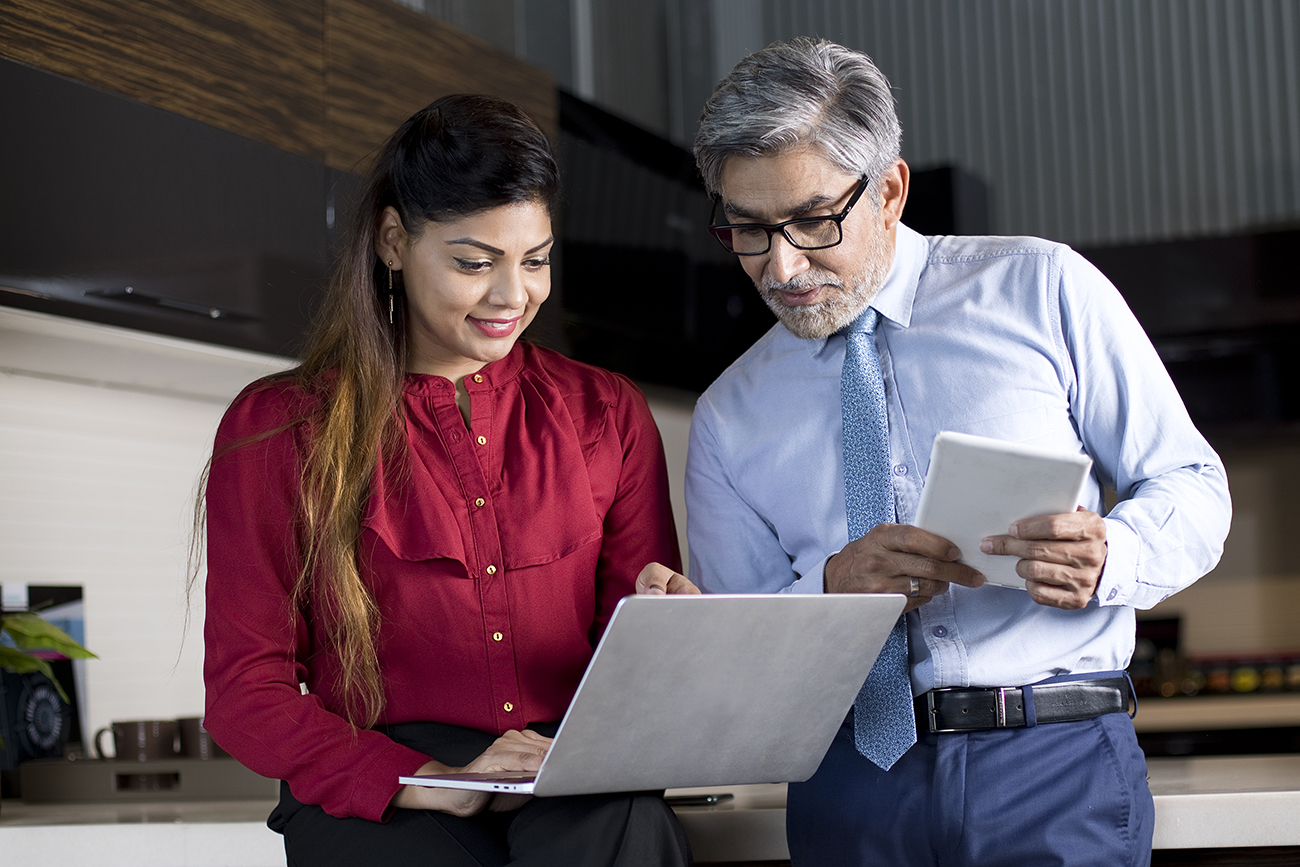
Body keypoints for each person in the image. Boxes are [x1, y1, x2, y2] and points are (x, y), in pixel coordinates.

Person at [640, 38, 1231, 866]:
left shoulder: (1043, 289)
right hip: (849, 784)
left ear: (888, 190)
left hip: (1053, 759)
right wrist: (832, 591)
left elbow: (1193, 483)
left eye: (813, 220)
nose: (782, 265)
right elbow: (745, 664)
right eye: (746, 229)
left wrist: (1116, 554)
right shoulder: (729, 414)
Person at [201, 94, 692, 867]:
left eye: (535, 260)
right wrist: (420, 776)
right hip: (384, 782)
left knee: (626, 827)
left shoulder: (608, 414)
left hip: (566, 768)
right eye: (474, 262)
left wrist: (673, 632)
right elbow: (245, 692)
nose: (512, 296)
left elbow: (634, 656)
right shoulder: (280, 428)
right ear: (394, 240)